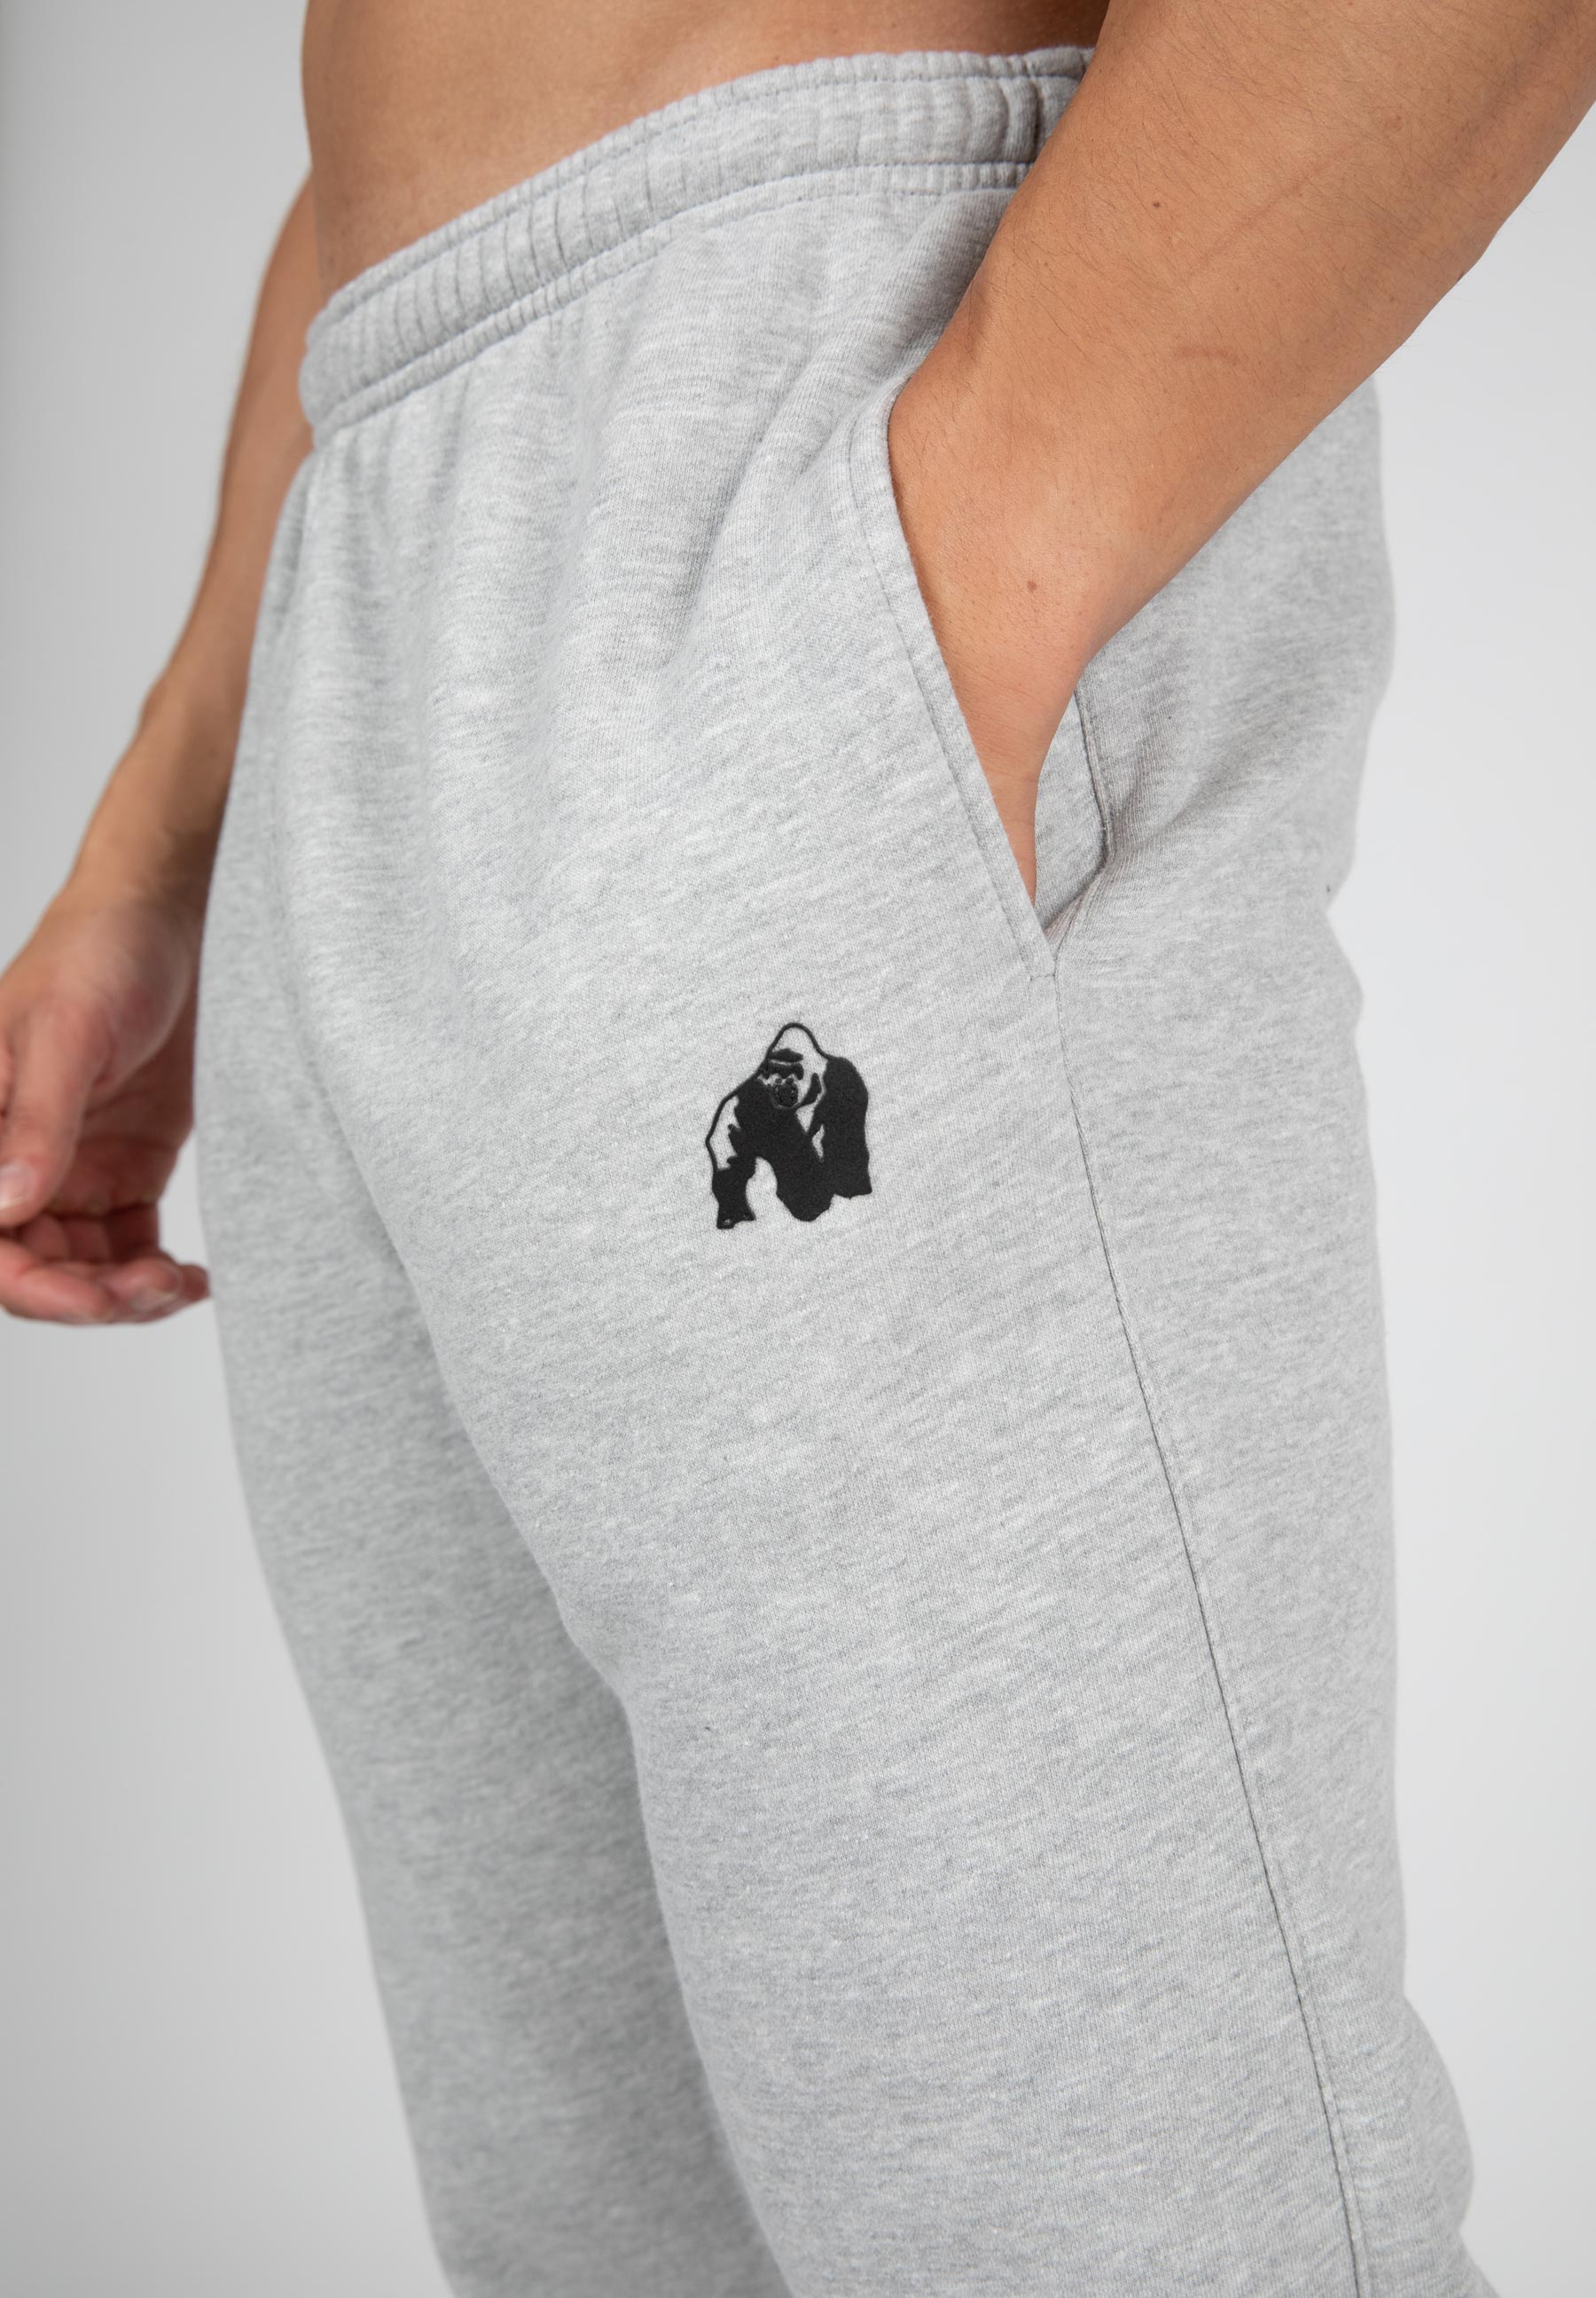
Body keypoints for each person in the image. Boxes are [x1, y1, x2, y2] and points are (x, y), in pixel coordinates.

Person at [2, 1, 1592, 2288]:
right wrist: (169, 830)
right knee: (605, 2236)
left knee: (1110, 2230)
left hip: (825, 414)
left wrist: (986, 547)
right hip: (358, 583)